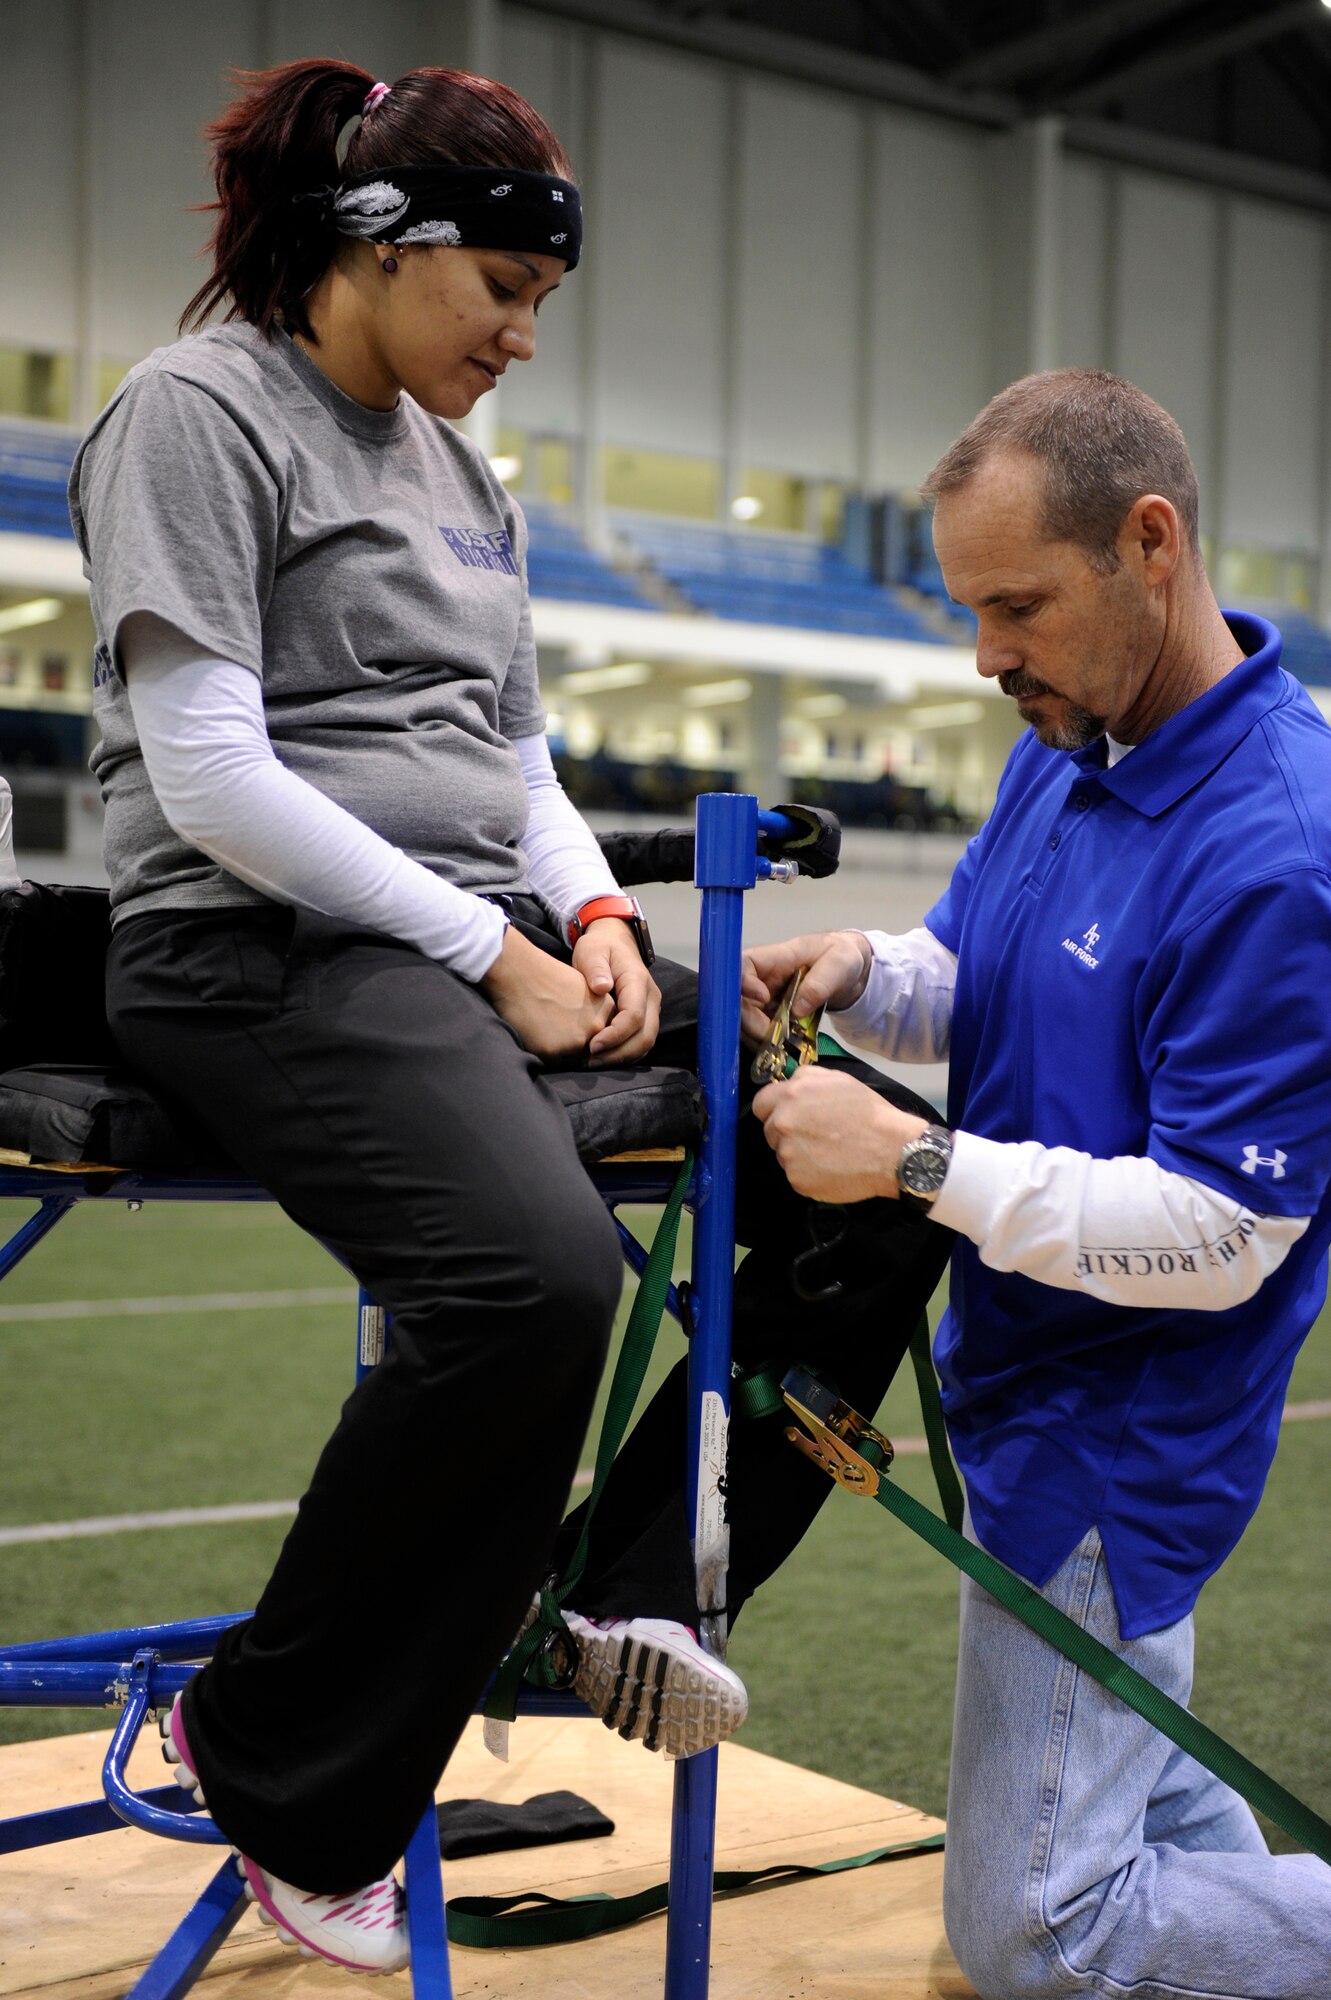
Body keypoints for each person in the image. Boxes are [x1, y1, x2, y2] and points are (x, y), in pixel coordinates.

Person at [70, 58, 949, 1974]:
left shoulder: (464, 474)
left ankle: (623, 1600)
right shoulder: (192, 413)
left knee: (884, 1168)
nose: (524, 340)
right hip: (260, 946)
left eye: (545, 305)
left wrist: (597, 910)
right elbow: (215, 776)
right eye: (504, 292)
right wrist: (492, 958)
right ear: (373, 246)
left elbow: (520, 757)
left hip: (478, 942)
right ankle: (280, 1754)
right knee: (532, 1290)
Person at [743, 367, 1331, 1999]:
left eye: (1017, 606)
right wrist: (866, 969)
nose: (984, 654)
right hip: (1022, 1391)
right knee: (1153, 1819)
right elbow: (984, 971)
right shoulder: (1071, 742)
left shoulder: (1282, 846)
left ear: (1152, 544)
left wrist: (917, 1164)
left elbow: (1222, 1233)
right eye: (971, 608)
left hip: (1117, 1439)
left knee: (1041, 1934)